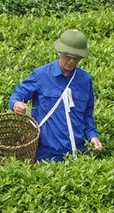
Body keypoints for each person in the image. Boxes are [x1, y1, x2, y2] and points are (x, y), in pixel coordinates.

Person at [9, 28, 103, 162]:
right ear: (60, 52)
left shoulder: (85, 80)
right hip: (46, 153)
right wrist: (16, 104)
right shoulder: (41, 75)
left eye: (76, 58)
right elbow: (17, 94)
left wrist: (93, 137)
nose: (71, 61)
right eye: (68, 56)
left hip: (78, 153)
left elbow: (87, 114)